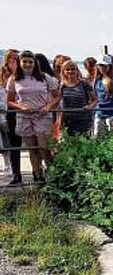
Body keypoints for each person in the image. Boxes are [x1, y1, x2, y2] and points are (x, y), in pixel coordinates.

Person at [6, 50, 61, 182]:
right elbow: (9, 100)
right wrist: (21, 107)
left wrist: (47, 107)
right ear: (20, 63)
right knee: (32, 149)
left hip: (42, 116)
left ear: (35, 63)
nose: (27, 64)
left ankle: (53, 175)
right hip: (24, 117)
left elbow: (58, 96)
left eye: (30, 62)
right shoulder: (14, 79)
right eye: (24, 61)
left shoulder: (45, 78)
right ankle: (38, 175)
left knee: (45, 148)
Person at [0, 50, 22, 184]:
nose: (15, 61)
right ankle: (15, 172)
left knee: (13, 142)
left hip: (17, 111)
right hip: (6, 112)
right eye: (12, 58)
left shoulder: (20, 75)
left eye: (17, 58)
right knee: (10, 142)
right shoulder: (3, 74)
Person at [59, 60, 96, 136]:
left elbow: (95, 99)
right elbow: (62, 105)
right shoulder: (62, 86)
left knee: (83, 143)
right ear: (63, 72)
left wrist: (90, 106)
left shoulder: (84, 84)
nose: (70, 71)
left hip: (82, 119)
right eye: (67, 69)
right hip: (68, 120)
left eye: (73, 69)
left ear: (77, 70)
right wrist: (60, 121)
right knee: (69, 144)